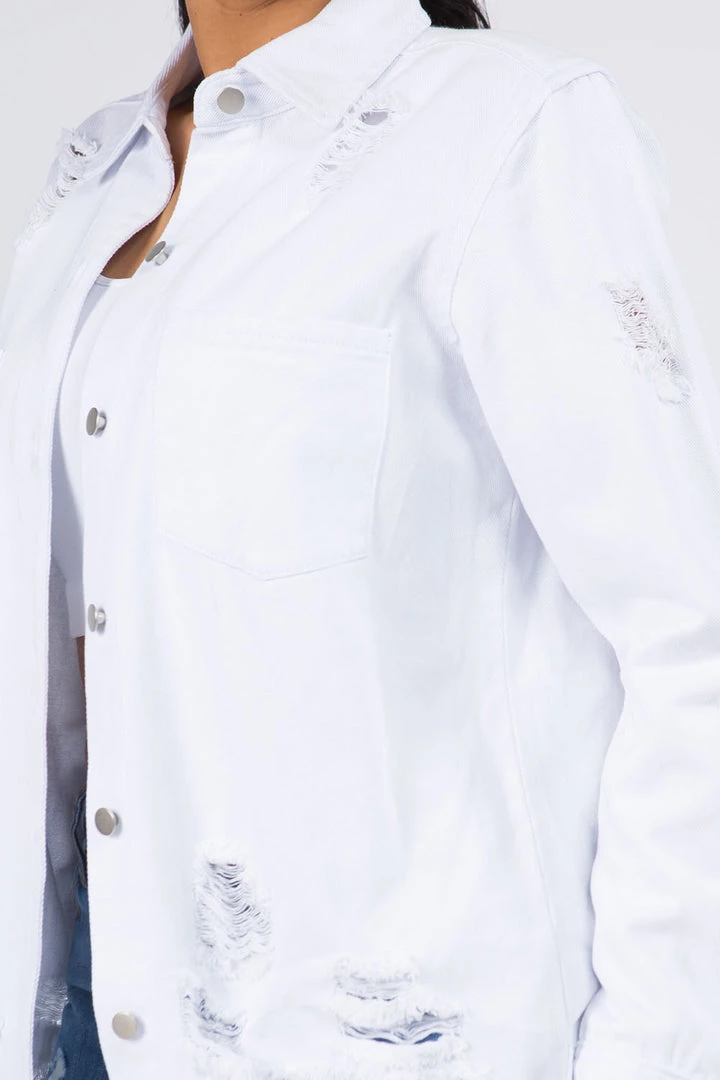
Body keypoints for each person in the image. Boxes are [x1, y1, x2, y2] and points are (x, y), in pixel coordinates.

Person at [2, 0, 720, 1078]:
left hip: (381, 1038)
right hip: (89, 1003)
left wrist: (650, 1055)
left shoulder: (506, 126)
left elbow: (687, 634)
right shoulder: (95, 171)